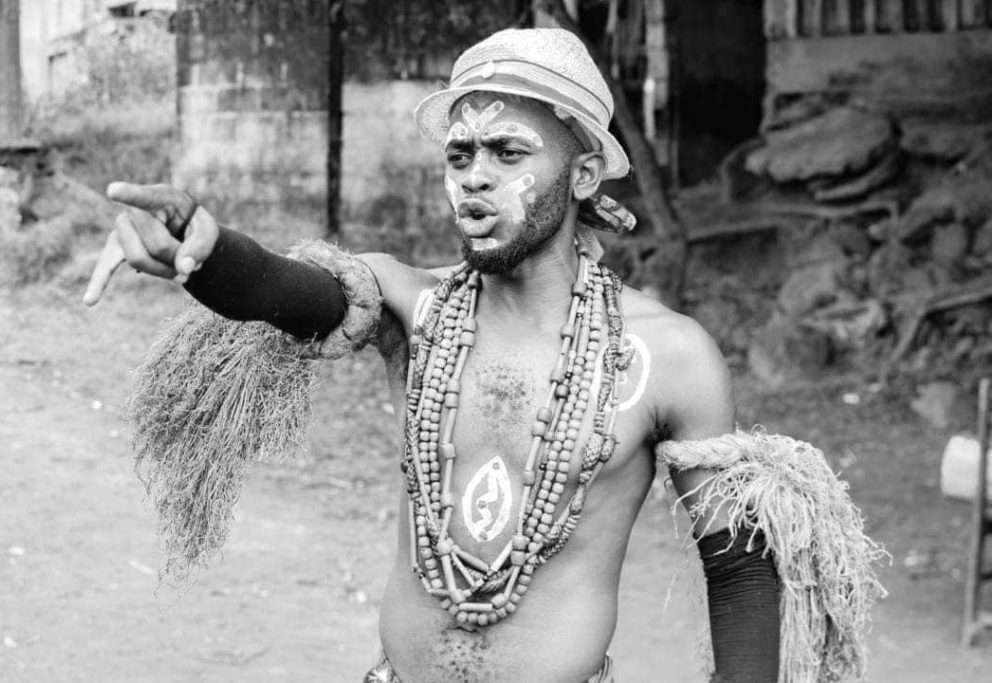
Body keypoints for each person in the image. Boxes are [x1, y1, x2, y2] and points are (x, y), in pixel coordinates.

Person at [84, 28, 884, 683]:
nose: (474, 179)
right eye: (460, 154)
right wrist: (205, 253)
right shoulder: (412, 306)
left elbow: (738, 569)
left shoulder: (670, 356)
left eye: (508, 153)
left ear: (582, 174)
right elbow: (285, 290)